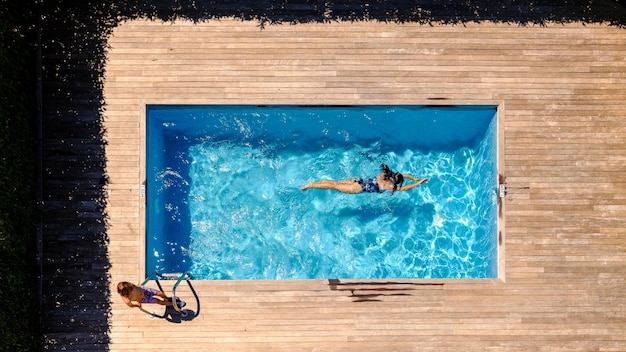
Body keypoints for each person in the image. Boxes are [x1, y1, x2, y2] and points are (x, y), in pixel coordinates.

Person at [301, 164, 427, 195]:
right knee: (333, 186)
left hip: (357, 180)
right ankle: (311, 185)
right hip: (358, 187)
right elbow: (406, 187)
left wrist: (414, 177)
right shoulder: (390, 186)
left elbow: (403, 174)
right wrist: (418, 182)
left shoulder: (385, 174)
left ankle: (313, 183)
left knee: (335, 182)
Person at [117, 281, 186, 309]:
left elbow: (135, 285)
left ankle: (168, 299)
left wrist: (139, 286)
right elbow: (130, 305)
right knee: (159, 302)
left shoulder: (130, 285)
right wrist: (137, 305)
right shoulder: (126, 299)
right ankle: (175, 304)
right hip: (144, 299)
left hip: (144, 290)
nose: (132, 289)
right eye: (130, 290)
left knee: (160, 293)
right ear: (126, 293)